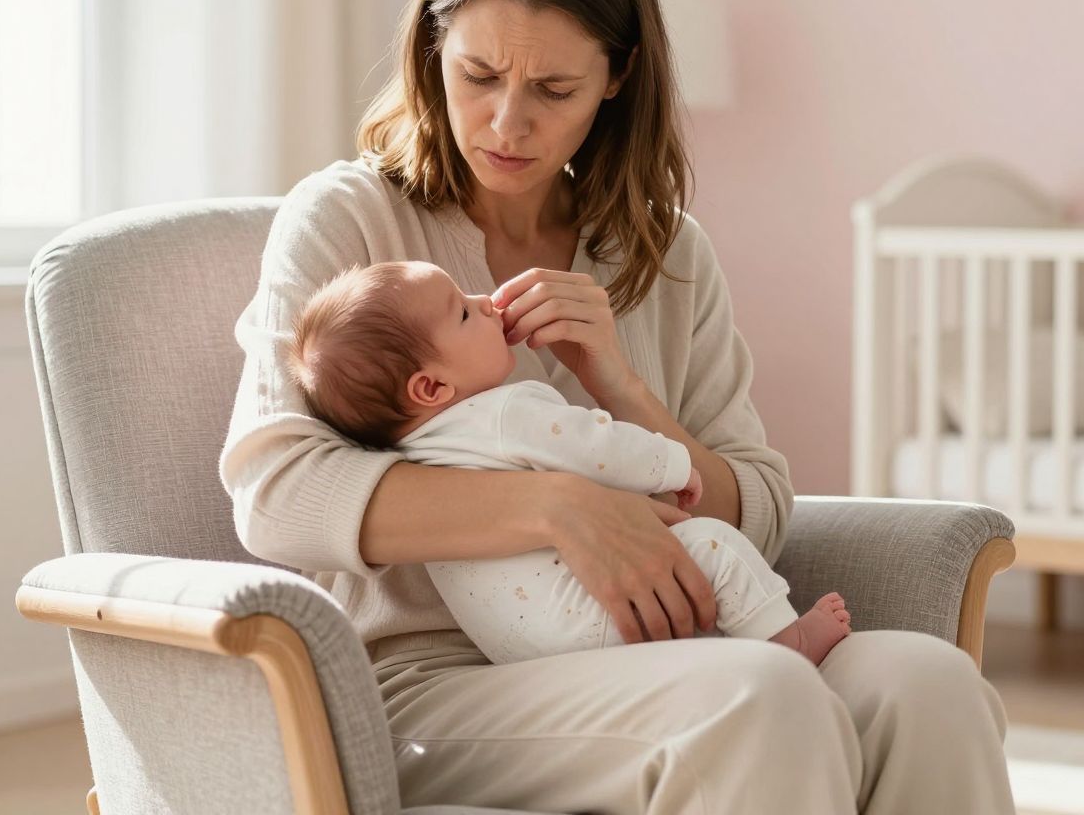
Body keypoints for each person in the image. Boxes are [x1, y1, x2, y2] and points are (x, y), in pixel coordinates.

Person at [221, 0, 1015, 813]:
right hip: (431, 686)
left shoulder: (666, 250)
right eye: (478, 75)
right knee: (761, 696)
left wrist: (626, 391)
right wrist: (560, 508)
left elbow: (756, 502)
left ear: (618, 76)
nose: (508, 122)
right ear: (434, 50)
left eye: (554, 88)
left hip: (678, 649)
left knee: (932, 686)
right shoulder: (351, 223)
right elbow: (276, 494)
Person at [285, 259, 854, 667]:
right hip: (596, 614)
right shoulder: (507, 413)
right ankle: (786, 643)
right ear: (432, 386)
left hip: (519, 654)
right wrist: (673, 466)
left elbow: (762, 500)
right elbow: (597, 447)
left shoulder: (417, 457)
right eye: (463, 313)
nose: (484, 302)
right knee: (713, 545)